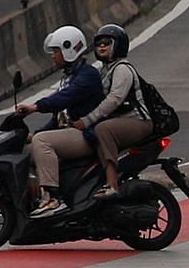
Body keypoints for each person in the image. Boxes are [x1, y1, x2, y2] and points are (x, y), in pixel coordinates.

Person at [68, 22, 161, 205]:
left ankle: (112, 183)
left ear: (118, 45)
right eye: (99, 43)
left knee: (102, 129)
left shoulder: (122, 69)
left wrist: (87, 120)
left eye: (107, 43)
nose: (102, 46)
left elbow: (114, 99)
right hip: (122, 121)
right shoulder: (104, 70)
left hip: (138, 122)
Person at [15, 24, 104, 204]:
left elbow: (63, 99)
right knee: (28, 148)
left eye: (56, 51)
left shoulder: (88, 75)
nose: (53, 56)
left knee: (42, 142)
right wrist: (34, 134)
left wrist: (35, 107)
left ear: (68, 49)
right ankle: (35, 197)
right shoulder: (69, 76)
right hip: (71, 133)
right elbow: (60, 117)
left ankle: (52, 198)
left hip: (86, 134)